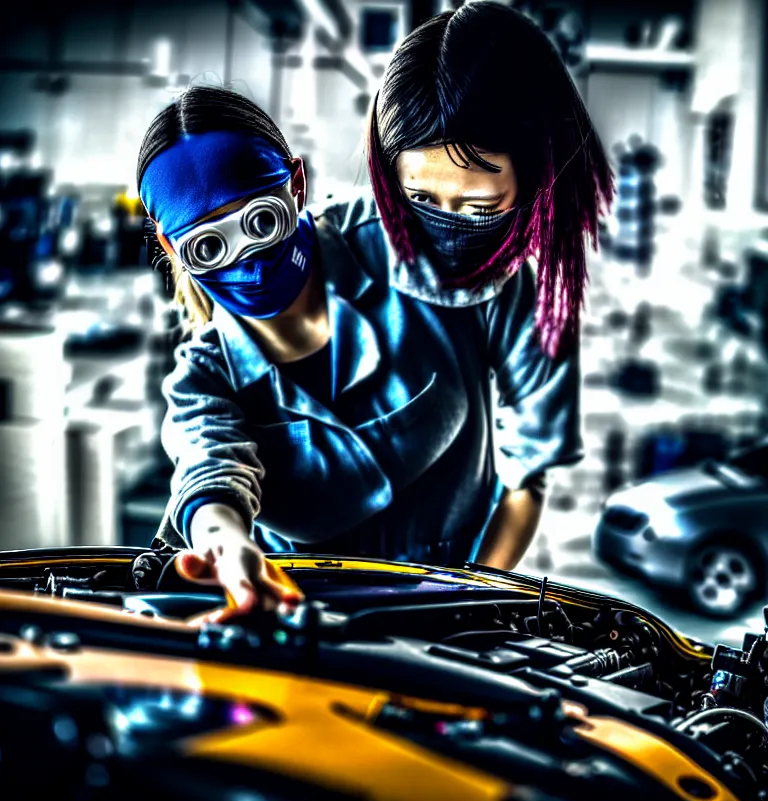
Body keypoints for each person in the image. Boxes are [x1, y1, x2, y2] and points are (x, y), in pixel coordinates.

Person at [138, 2, 613, 616]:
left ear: (296, 186)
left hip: (452, 611)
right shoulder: (206, 373)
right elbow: (210, 469)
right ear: (173, 249)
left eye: (261, 221)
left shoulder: (438, 257)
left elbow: (528, 477)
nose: (249, 262)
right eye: (209, 246)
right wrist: (229, 548)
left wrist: (466, 602)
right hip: (296, 614)